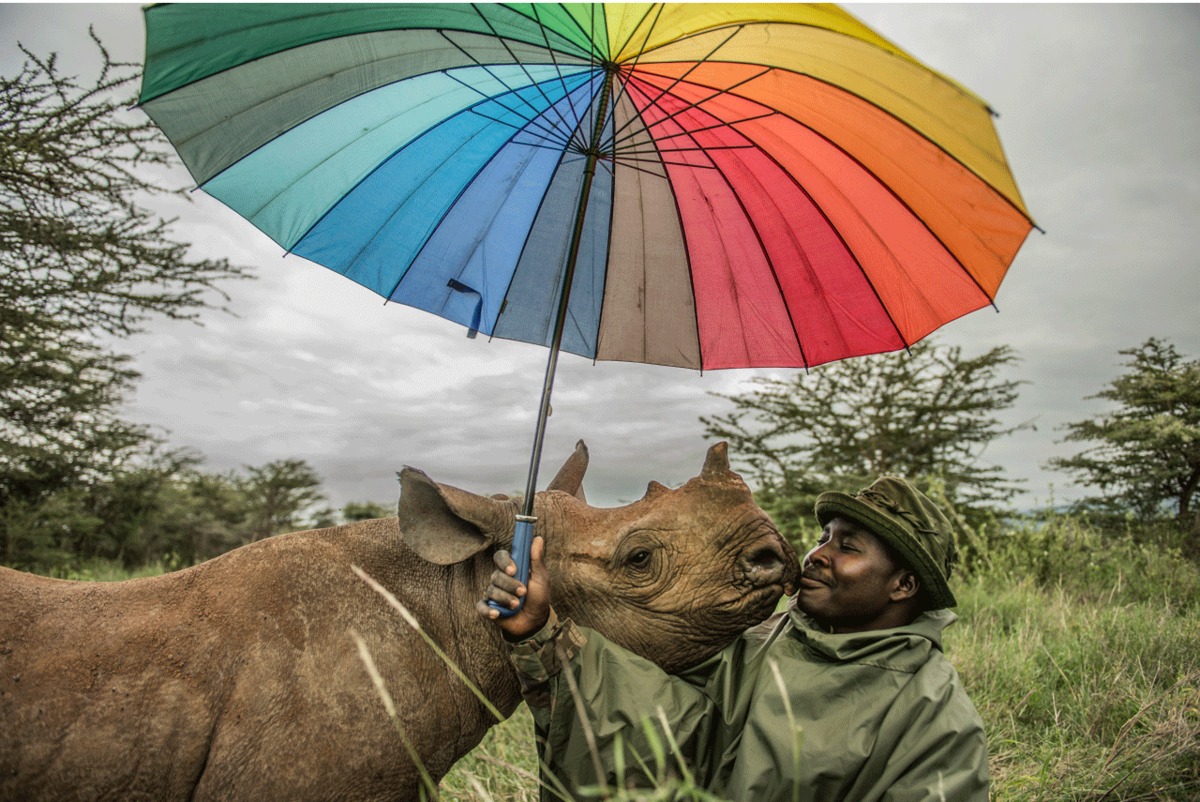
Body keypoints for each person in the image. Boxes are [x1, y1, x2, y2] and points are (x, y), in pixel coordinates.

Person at [477, 477, 989, 802]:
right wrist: (544, 633)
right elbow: (673, 728)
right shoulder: (767, 639)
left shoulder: (934, 718)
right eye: (822, 538)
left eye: (847, 546)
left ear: (903, 585)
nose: (816, 554)